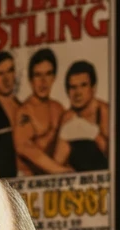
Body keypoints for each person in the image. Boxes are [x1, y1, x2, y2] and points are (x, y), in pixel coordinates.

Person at [13, 48, 72, 176]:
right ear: (31, 79)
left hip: (54, 180)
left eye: (48, 74)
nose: (43, 81)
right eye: (38, 75)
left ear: (54, 77)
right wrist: (58, 170)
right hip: (30, 183)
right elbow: (24, 147)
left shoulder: (58, 108)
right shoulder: (25, 111)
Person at [54, 60, 109, 172]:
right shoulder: (68, 117)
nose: (78, 93)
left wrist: (94, 134)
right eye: (73, 87)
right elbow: (58, 161)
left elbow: (118, 159)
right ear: (68, 91)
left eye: (83, 85)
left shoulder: (104, 112)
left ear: (93, 88)